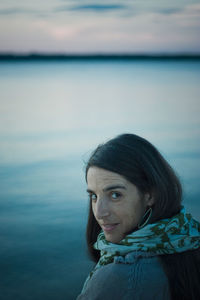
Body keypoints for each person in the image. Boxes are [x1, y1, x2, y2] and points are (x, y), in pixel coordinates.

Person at [77, 133, 200, 300]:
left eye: (115, 195)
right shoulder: (189, 237)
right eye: (94, 196)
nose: (99, 212)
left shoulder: (117, 279)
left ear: (150, 195)